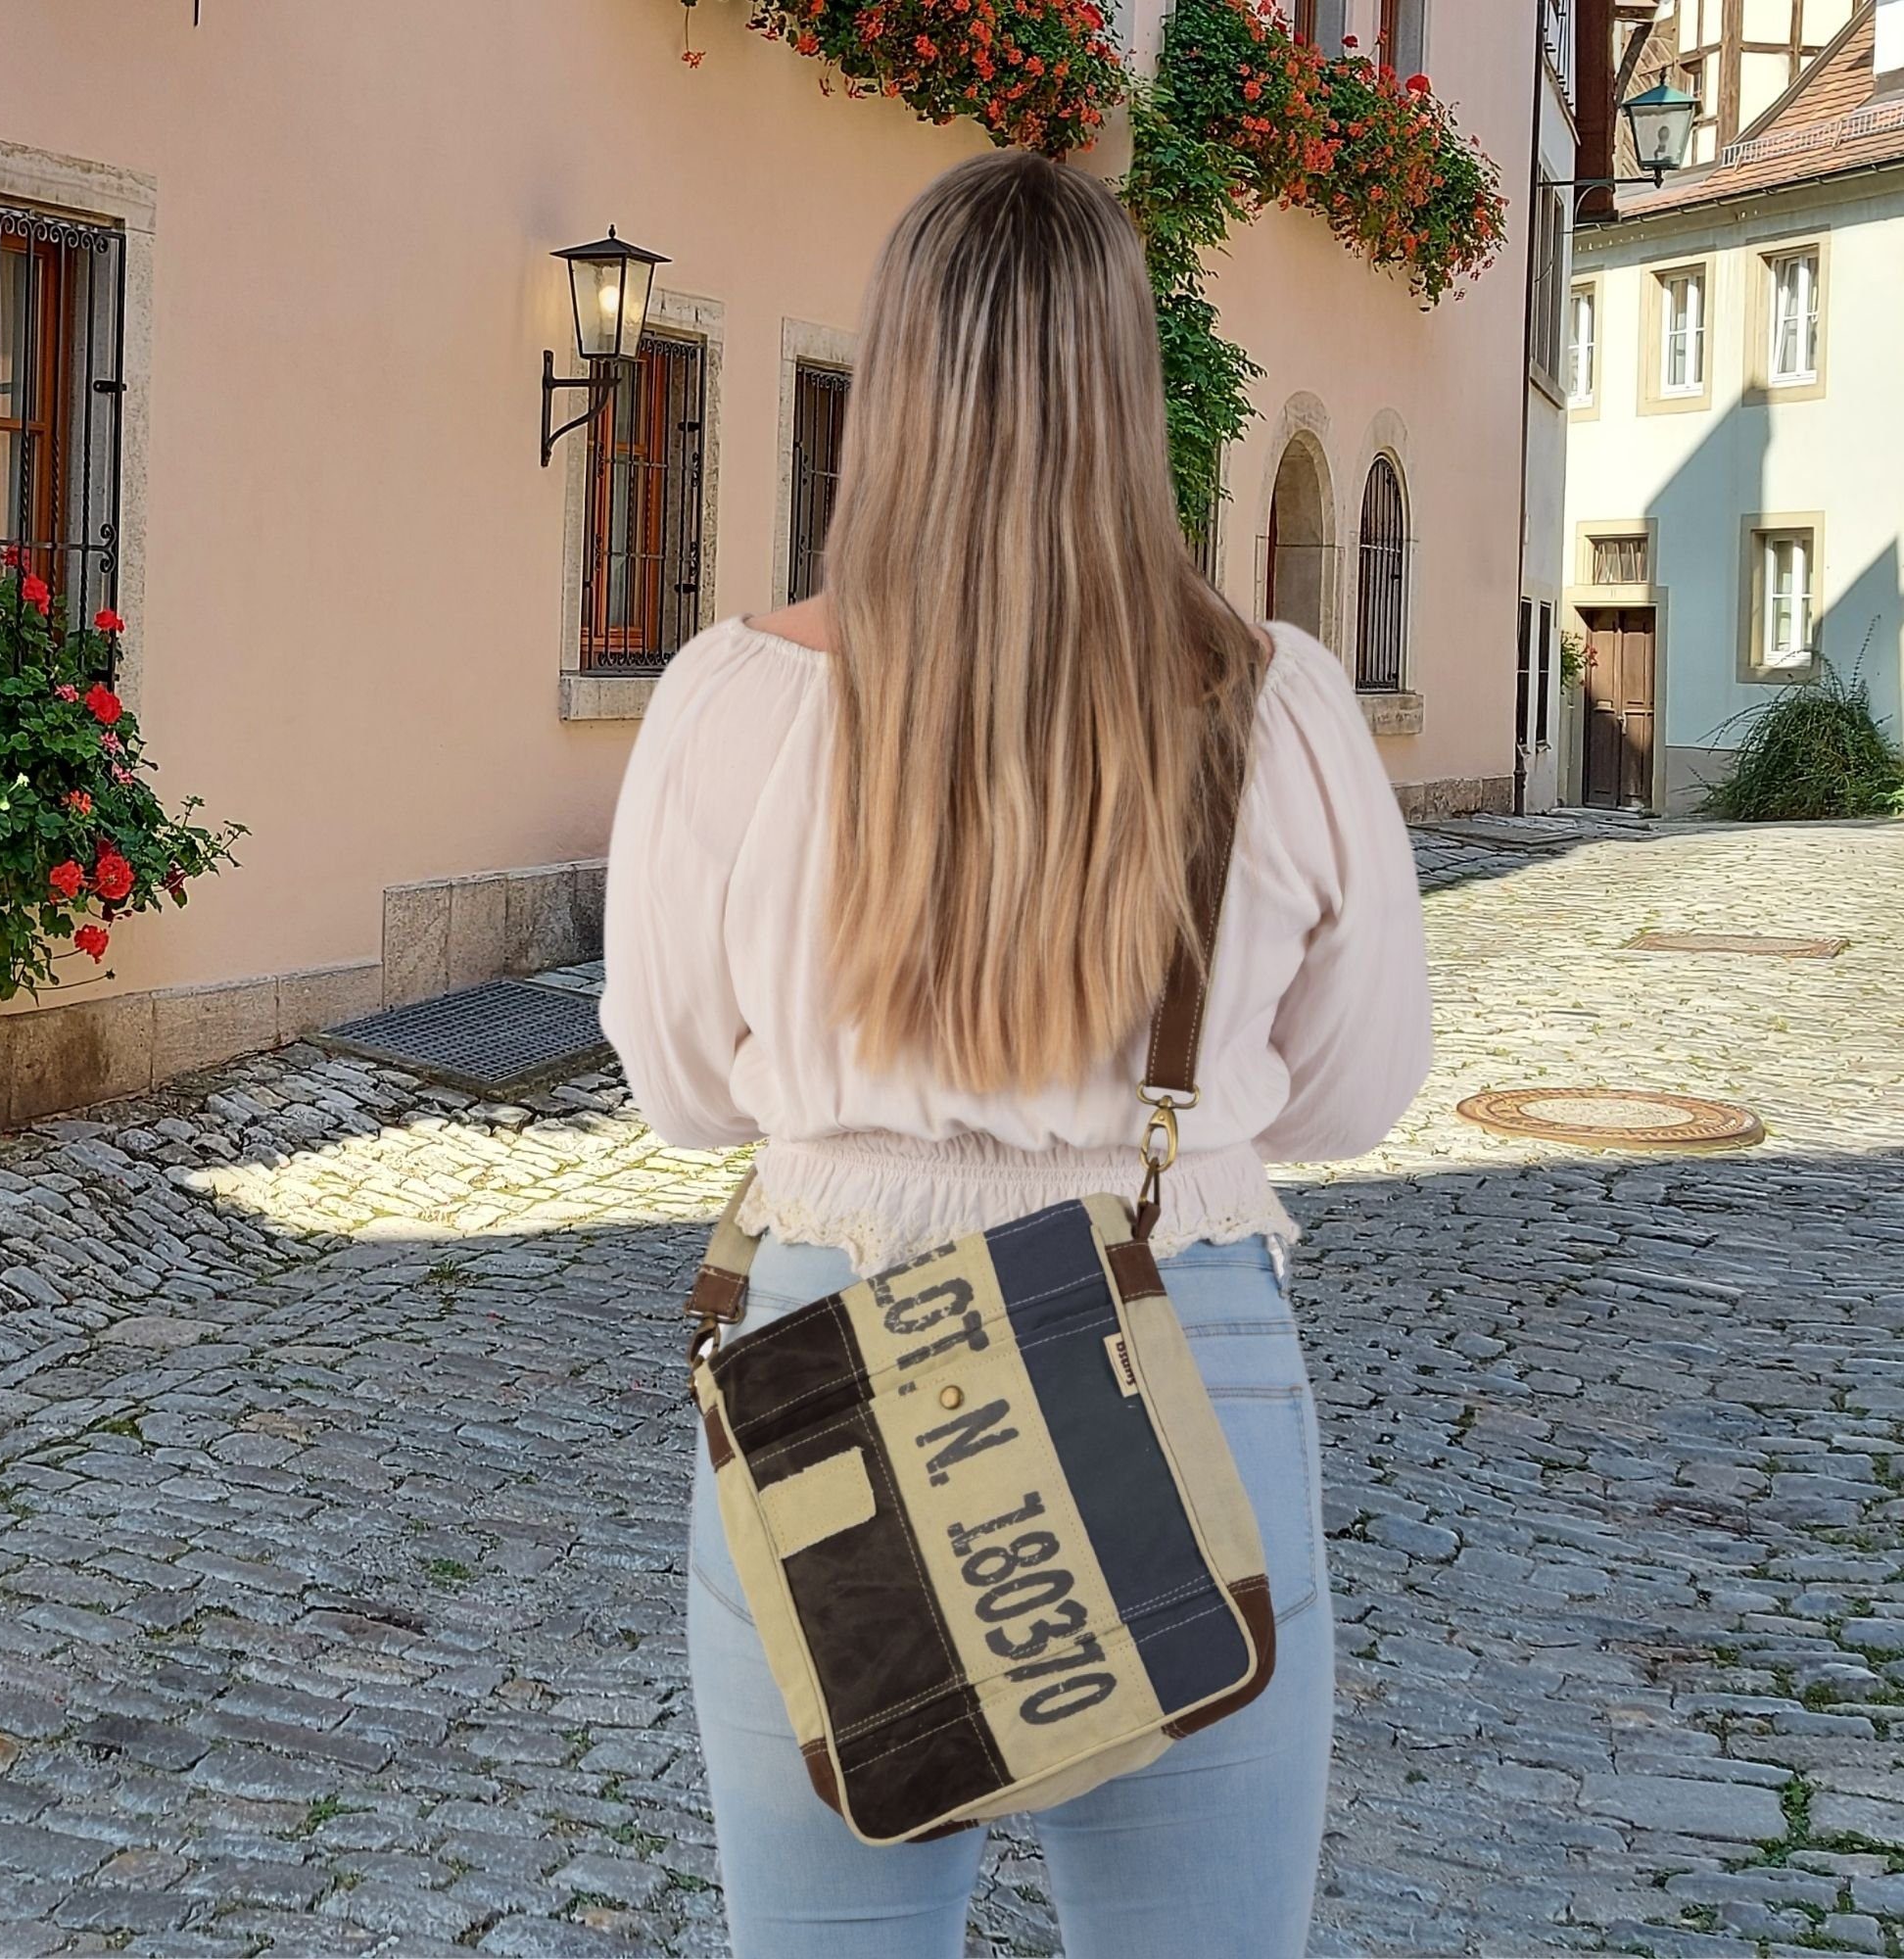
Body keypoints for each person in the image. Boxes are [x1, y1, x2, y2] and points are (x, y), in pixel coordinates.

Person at [600, 147, 1430, 1959]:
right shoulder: (1273, 702)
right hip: (1176, 1331)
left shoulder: (729, 703)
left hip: (830, 1335)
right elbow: (1360, 1094)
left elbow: (675, 1086)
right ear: (1131, 393)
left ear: (888, 391)